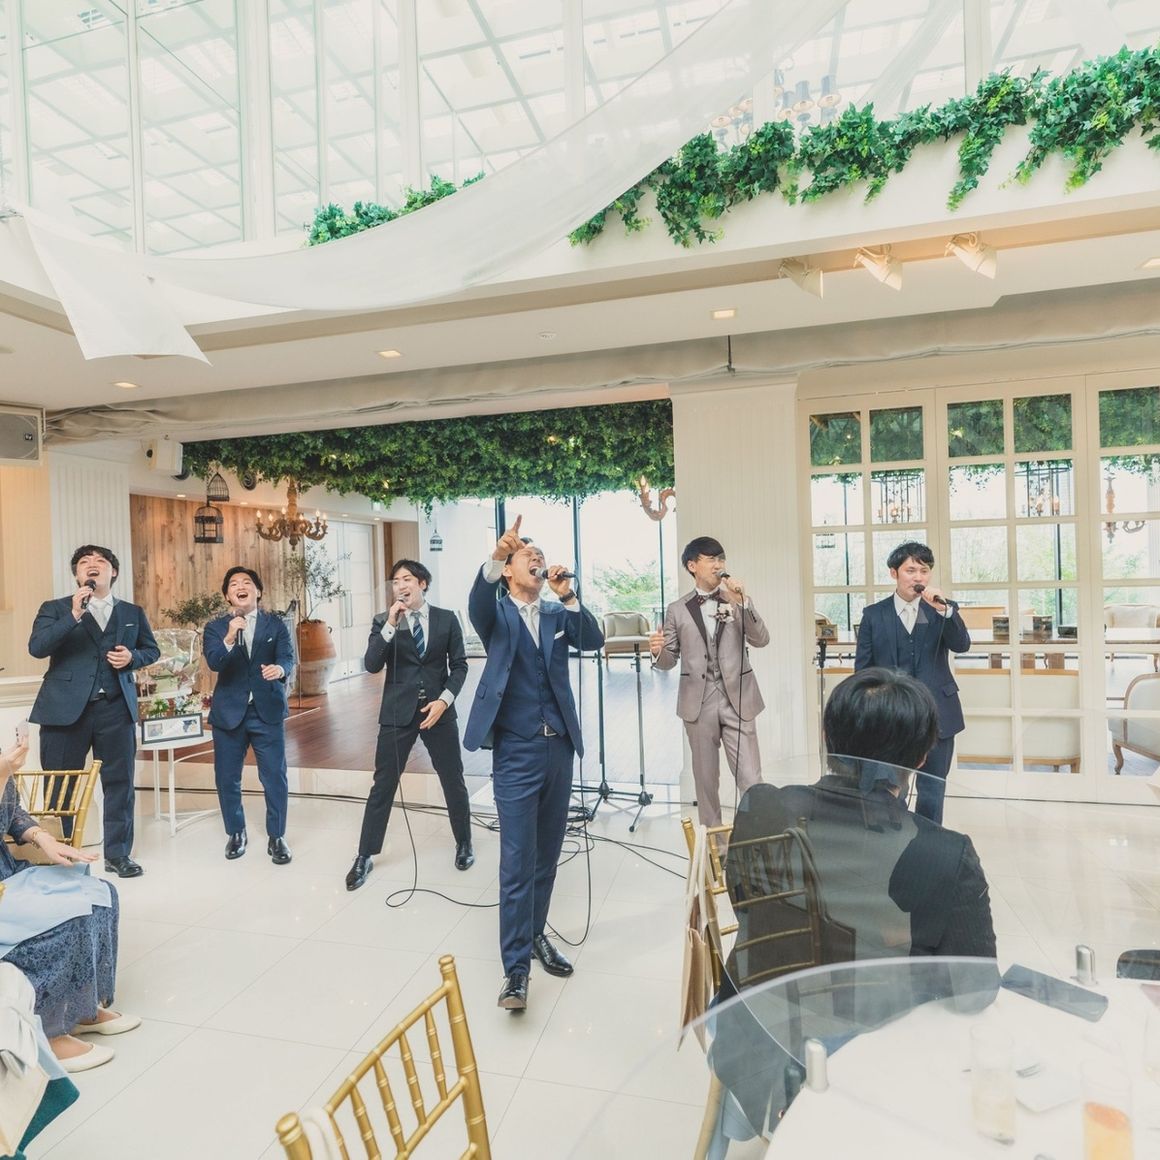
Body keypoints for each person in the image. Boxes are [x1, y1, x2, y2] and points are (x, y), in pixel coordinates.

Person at [463, 516, 603, 1011]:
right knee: (518, 860)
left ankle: (537, 933)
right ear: (508, 571)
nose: (538, 559)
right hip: (516, 751)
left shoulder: (555, 614)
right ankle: (516, 971)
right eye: (528, 556)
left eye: (540, 556)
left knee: (547, 855)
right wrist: (497, 555)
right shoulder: (495, 613)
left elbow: (593, 639)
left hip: (558, 747)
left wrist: (569, 595)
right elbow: (477, 600)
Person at [1, 738, 142, 1073]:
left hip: (9, 872)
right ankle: (50, 1033)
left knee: (100, 895)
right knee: (67, 919)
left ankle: (81, 1009)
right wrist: (2, 773)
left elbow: (13, 812)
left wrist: (44, 839)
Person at [28, 544, 160, 878]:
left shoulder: (132, 612)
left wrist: (132, 658)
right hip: (63, 710)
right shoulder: (55, 608)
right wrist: (73, 615)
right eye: (84, 562)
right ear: (77, 575)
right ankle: (62, 856)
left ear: (112, 572)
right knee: (61, 785)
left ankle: (118, 854)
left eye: (100, 561)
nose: (92, 565)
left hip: (115, 708)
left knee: (119, 783)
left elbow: (151, 650)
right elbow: (37, 648)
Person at [345, 560, 473, 891]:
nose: (400, 585)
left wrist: (444, 700)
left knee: (453, 779)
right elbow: (372, 664)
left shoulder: (446, 619)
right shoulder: (383, 620)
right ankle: (364, 854)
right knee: (383, 784)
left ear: (422, 584)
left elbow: (460, 666)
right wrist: (390, 623)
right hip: (397, 713)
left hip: (438, 711)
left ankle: (464, 842)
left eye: (407, 579)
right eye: (395, 581)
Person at [649, 535, 770, 826]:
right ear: (692, 566)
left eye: (721, 558)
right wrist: (657, 652)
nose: (718, 565)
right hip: (698, 704)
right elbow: (669, 661)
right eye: (711, 559)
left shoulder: (736, 601)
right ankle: (715, 845)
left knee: (751, 779)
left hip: (738, 699)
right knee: (705, 782)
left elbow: (761, 639)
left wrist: (743, 603)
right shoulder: (677, 609)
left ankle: (754, 840)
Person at [854, 540, 971, 825]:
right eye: (911, 570)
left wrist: (945, 612)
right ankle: (891, 838)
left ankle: (927, 843)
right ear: (894, 573)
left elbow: (962, 645)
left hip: (938, 713)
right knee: (890, 787)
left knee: (932, 789)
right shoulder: (874, 615)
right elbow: (863, 670)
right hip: (890, 716)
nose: (918, 577)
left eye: (924, 570)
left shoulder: (942, 610)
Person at [203, 566, 295, 864]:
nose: (240, 587)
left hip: (267, 710)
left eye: (246, 582)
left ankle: (277, 836)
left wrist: (280, 669)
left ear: (258, 591)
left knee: (274, 776)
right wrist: (231, 635)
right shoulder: (216, 628)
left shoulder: (275, 624)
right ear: (227, 596)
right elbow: (215, 662)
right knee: (227, 778)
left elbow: (287, 657)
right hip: (229, 714)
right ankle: (236, 832)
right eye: (233, 584)